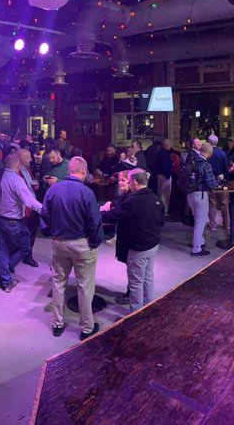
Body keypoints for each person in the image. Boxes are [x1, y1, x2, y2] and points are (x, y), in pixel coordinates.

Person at [41, 157, 102, 340]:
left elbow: (45, 215)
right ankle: (86, 328)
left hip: (59, 243)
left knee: (58, 284)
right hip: (81, 244)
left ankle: (57, 324)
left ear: (69, 171)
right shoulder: (87, 192)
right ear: (84, 171)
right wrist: (95, 242)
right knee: (84, 287)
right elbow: (94, 221)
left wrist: (50, 233)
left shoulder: (53, 189)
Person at [100, 169, 164, 312]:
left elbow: (113, 216)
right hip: (153, 245)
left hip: (139, 248)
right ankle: (148, 307)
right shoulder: (156, 199)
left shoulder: (133, 201)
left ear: (134, 182)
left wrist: (98, 214)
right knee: (148, 277)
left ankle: (136, 314)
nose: (127, 184)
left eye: (128, 181)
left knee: (136, 283)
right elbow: (161, 222)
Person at [0, 152, 43, 293]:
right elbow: (29, 201)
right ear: (18, 165)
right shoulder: (17, 180)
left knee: (3, 249)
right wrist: (46, 210)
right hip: (13, 221)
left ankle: (6, 281)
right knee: (25, 247)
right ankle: (4, 271)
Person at [183, 143, 219, 256]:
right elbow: (211, 183)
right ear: (210, 153)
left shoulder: (191, 161)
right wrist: (219, 179)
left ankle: (201, 241)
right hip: (200, 195)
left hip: (189, 194)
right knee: (200, 222)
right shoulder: (205, 164)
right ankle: (197, 248)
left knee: (197, 219)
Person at [206, 135, 230, 230]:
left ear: (209, 142)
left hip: (211, 180)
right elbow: (226, 169)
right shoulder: (222, 153)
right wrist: (226, 179)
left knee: (212, 203)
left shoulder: (208, 153)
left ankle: (213, 225)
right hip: (221, 180)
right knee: (224, 203)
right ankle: (227, 224)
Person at [154, 139, 174, 209]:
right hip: (164, 176)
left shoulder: (160, 153)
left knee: (160, 192)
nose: (171, 146)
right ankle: (164, 209)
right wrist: (168, 175)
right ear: (167, 145)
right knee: (165, 193)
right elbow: (165, 166)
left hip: (159, 174)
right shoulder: (165, 154)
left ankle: (160, 208)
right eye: (170, 144)